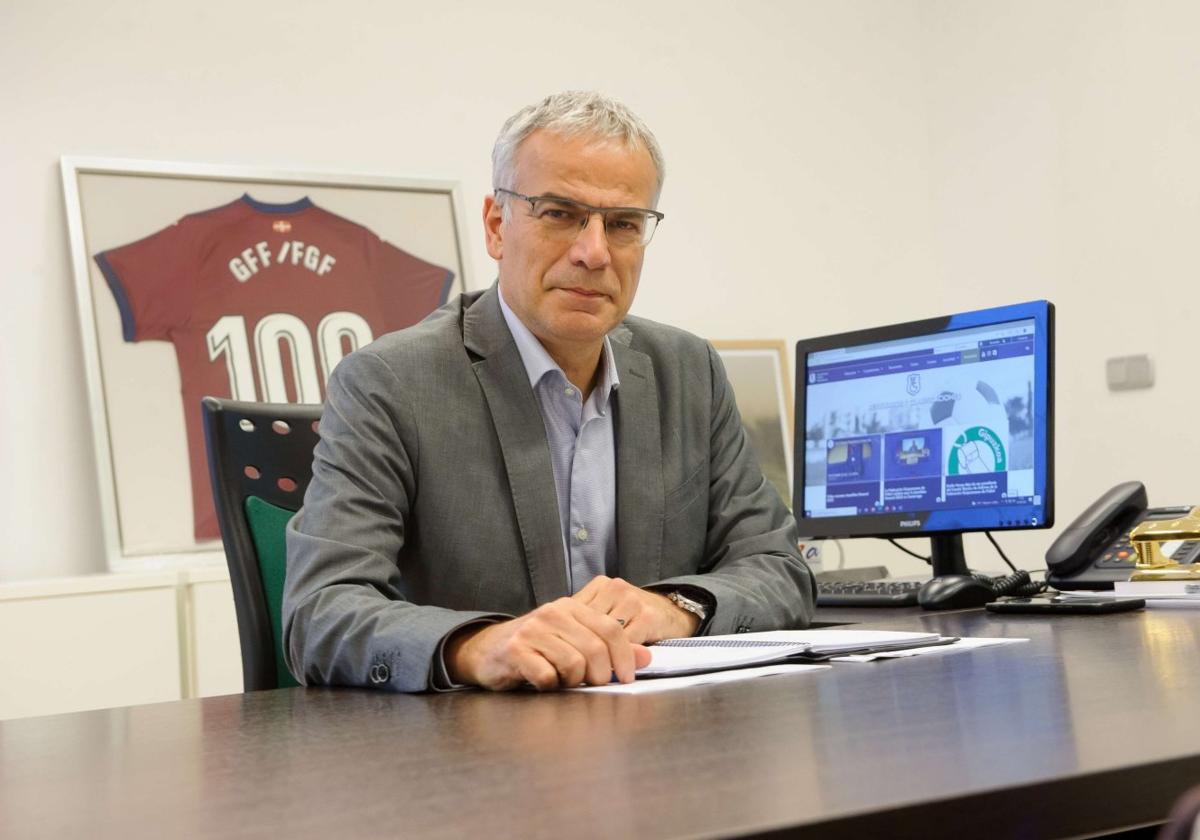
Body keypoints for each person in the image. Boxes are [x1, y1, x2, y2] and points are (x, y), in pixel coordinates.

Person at [283, 91, 815, 693]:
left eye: (622, 225)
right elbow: (320, 612)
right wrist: (478, 645)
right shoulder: (389, 383)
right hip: (474, 755)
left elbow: (779, 569)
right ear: (495, 226)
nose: (593, 253)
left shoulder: (689, 370)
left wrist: (679, 607)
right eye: (559, 213)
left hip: (663, 747)